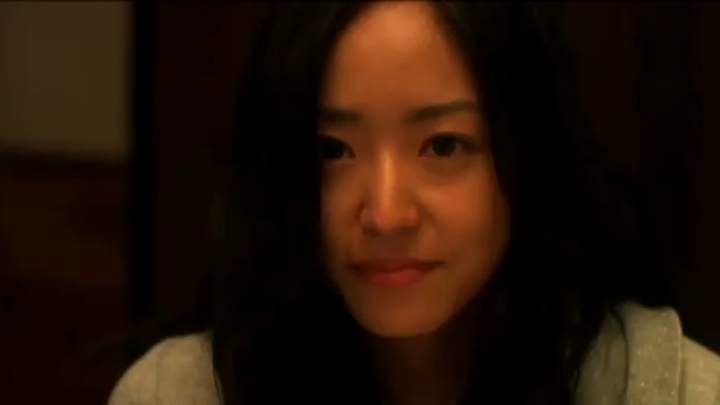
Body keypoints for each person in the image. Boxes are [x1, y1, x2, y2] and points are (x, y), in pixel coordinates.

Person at [109, 2, 720, 404]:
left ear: (527, 153)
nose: (385, 214)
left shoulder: (670, 391)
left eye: (444, 146)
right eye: (333, 150)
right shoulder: (179, 394)